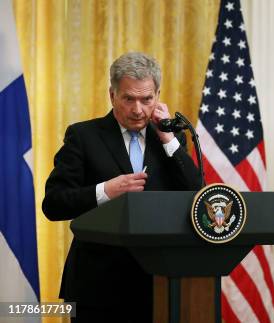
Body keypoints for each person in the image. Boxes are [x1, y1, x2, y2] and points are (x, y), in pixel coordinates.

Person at [42, 52, 201, 322]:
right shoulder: (83, 136)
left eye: (147, 99)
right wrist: (106, 190)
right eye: (129, 99)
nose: (138, 109)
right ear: (112, 95)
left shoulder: (169, 140)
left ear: (157, 96)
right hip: (97, 286)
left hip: (159, 283)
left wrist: (168, 139)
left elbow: (197, 192)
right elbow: (54, 203)